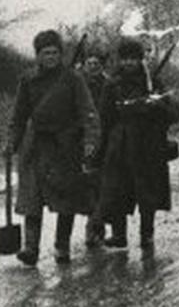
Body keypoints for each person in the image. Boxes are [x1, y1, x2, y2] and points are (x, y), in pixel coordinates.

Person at [4, 29, 101, 266]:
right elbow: (18, 116)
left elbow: (89, 113)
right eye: (45, 53)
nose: (50, 57)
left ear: (61, 53)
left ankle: (62, 246)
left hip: (65, 146)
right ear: (37, 55)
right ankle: (30, 247)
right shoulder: (27, 80)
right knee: (32, 197)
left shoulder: (73, 79)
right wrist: (11, 141)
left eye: (55, 52)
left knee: (65, 199)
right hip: (36, 146)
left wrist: (90, 142)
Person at [96, 39, 178, 250]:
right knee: (117, 190)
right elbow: (105, 118)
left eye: (133, 58)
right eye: (125, 59)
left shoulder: (153, 82)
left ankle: (147, 235)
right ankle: (119, 235)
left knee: (147, 192)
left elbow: (170, 114)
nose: (129, 63)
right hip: (120, 144)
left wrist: (155, 106)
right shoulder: (113, 84)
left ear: (140, 59)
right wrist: (103, 147)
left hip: (147, 144)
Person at [79, 50, 111, 248]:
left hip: (105, 139)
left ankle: (97, 228)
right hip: (85, 140)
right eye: (89, 63)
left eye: (96, 63)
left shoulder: (108, 84)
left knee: (102, 186)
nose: (92, 67)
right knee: (87, 186)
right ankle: (92, 226)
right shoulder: (77, 84)